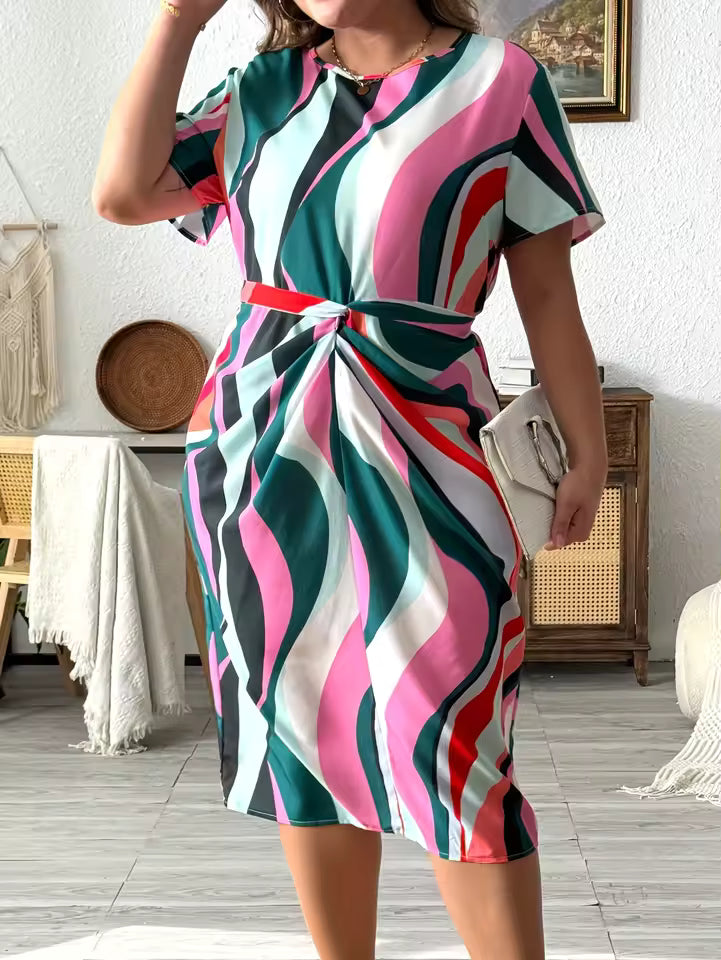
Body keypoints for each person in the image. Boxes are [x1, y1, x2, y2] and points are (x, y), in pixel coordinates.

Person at [93, 1, 607, 957]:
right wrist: (174, 19)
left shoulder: (500, 81)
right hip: (263, 447)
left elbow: (545, 292)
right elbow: (122, 194)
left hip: (436, 446)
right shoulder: (262, 91)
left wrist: (588, 448)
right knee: (305, 729)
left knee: (455, 739)